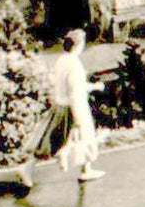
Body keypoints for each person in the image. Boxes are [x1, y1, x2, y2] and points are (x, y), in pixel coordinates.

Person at [18, 29, 106, 187]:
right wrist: (78, 117)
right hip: (72, 108)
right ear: (78, 45)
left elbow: (68, 85)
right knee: (56, 142)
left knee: (79, 139)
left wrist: (93, 86)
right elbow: (75, 91)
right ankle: (27, 169)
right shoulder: (74, 64)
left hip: (60, 105)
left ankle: (87, 169)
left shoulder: (62, 60)